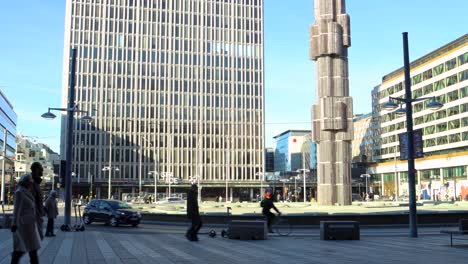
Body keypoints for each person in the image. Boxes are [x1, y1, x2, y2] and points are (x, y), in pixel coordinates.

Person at [10, 174, 41, 264]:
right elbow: (16, 209)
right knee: (21, 249)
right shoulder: (19, 192)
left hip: (30, 225)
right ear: (25, 181)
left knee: (32, 249)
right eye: (30, 181)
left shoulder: (27, 191)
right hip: (22, 225)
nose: (31, 183)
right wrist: (14, 223)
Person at [29, 162, 45, 240]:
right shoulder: (31, 182)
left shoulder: (36, 183)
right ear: (36, 170)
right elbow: (31, 200)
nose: (42, 170)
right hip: (33, 216)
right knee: (35, 239)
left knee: (36, 239)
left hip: (37, 215)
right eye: (41, 168)